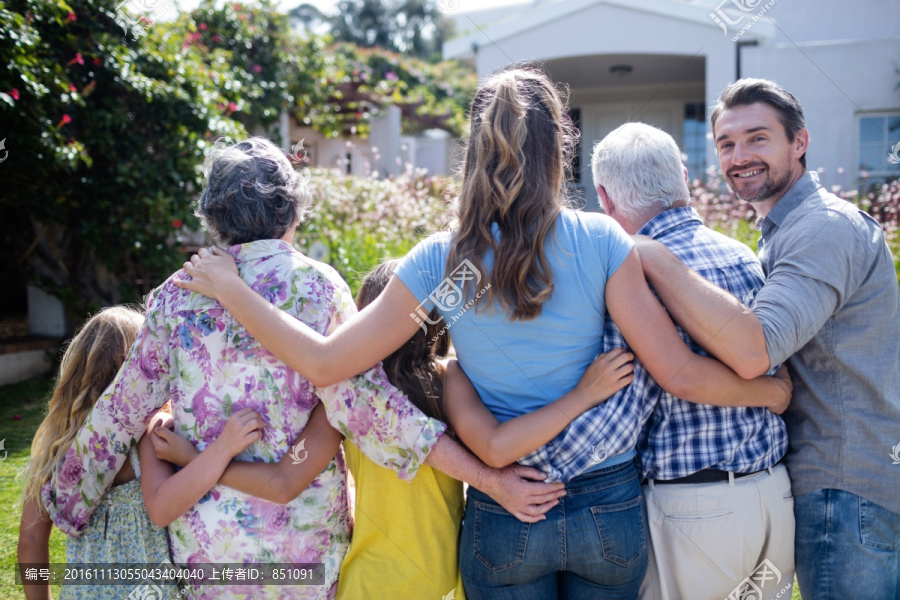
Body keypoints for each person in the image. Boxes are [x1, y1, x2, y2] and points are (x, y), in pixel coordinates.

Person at [176, 68, 791, 599]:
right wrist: (770, 391)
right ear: (561, 148)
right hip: (607, 502)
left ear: (475, 149)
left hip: (507, 509)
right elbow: (676, 372)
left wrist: (233, 288)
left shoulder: (451, 266)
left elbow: (327, 362)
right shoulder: (603, 241)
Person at [40, 137, 561, 600]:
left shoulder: (178, 296)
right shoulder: (318, 287)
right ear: (291, 211)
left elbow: (122, 409)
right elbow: (369, 407)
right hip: (304, 548)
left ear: (213, 218)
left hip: (207, 546)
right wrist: (486, 479)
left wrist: (63, 500)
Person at [154, 258, 635, 600]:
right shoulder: (450, 380)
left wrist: (201, 461)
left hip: (373, 582)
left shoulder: (345, 401)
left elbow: (285, 477)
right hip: (448, 576)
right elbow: (493, 443)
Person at [633, 79, 900, 598]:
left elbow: (756, 348)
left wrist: (651, 254)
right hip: (845, 486)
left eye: (758, 138)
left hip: (844, 488)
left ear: (799, 142)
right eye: (726, 144)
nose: (739, 157)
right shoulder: (790, 227)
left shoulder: (823, 229)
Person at [590, 122, 792, 599]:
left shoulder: (623, 276)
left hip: (692, 509)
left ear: (605, 197)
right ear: (683, 176)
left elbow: (623, 404)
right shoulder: (743, 256)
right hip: (772, 494)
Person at [18, 307, 261, 600]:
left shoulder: (55, 444)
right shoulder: (149, 434)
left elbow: (31, 540)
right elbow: (168, 501)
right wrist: (222, 449)